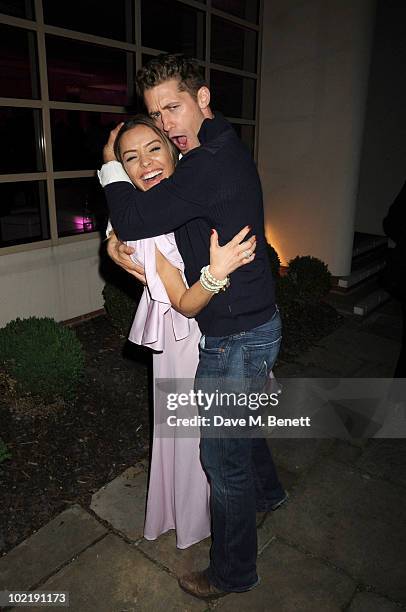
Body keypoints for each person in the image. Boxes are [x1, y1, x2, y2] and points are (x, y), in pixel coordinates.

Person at [100, 54, 287, 600]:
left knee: (220, 460)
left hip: (233, 332)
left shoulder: (207, 163)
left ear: (203, 98)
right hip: (255, 323)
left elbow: (139, 216)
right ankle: (271, 492)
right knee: (242, 427)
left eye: (175, 107)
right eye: (157, 115)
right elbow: (141, 217)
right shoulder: (218, 142)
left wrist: (110, 163)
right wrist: (114, 238)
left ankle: (234, 572)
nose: (168, 123)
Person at [110, 115, 257, 549]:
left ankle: (238, 500)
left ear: (174, 151)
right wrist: (217, 272)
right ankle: (199, 520)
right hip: (185, 339)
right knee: (193, 434)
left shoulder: (193, 190)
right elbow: (185, 302)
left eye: (153, 149)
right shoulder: (146, 228)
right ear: (124, 172)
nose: (145, 163)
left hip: (222, 332)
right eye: (130, 158)